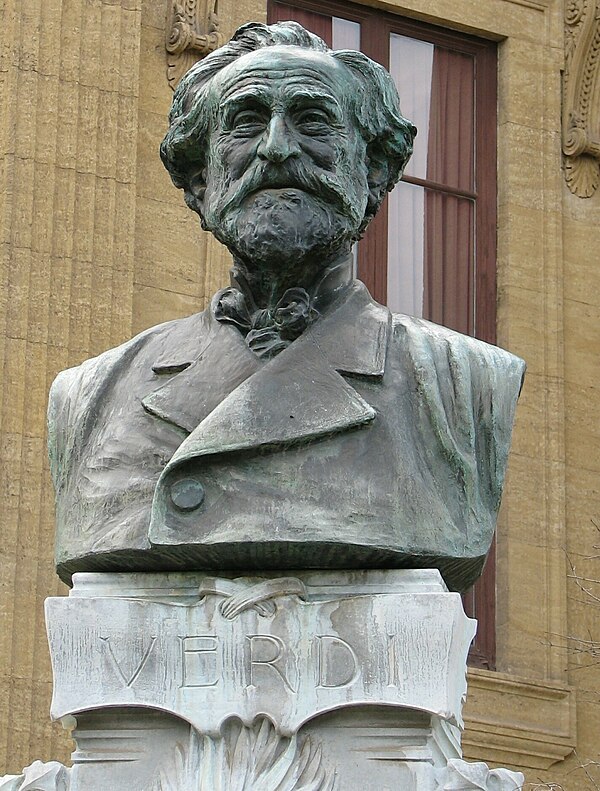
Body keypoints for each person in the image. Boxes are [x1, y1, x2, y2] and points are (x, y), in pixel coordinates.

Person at [48, 22, 525, 592]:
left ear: (373, 172)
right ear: (201, 181)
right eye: (246, 123)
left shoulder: (462, 384)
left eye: (314, 121)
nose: (276, 147)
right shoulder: (89, 396)